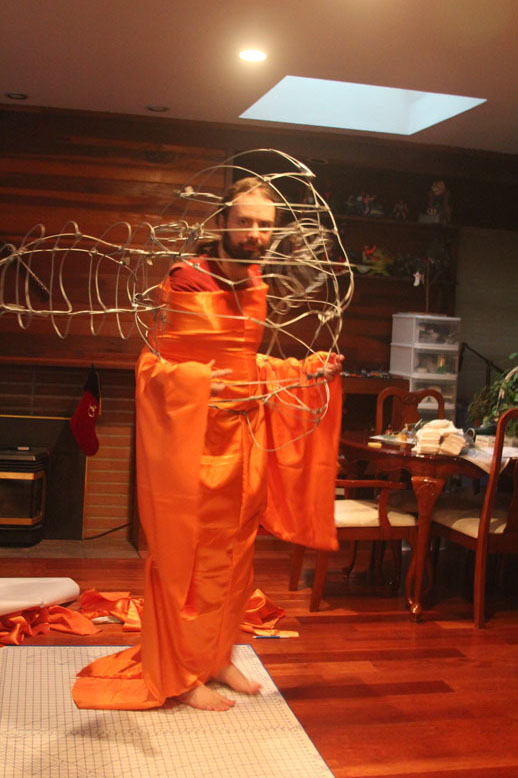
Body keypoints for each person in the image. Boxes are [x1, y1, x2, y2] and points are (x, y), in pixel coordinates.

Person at [72, 177, 343, 712]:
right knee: (185, 564)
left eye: (265, 225)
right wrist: (195, 383)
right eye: (245, 222)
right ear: (221, 221)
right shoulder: (187, 280)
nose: (255, 234)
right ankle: (178, 672)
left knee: (235, 563)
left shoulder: (255, 282)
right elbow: (154, 366)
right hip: (193, 445)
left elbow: (246, 364)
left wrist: (304, 371)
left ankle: (217, 656)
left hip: (243, 445)